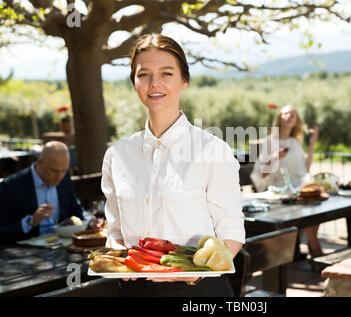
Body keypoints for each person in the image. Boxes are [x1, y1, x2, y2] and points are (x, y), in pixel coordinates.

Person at [101, 33, 245, 296]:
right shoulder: (117, 156)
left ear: (184, 80)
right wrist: (118, 254)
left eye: (166, 73)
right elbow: (115, 231)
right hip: (135, 291)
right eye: (144, 74)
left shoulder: (213, 151)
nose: (154, 82)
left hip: (199, 292)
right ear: (134, 82)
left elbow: (231, 233)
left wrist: (191, 276)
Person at [250, 105, 324, 257]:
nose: (288, 117)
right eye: (285, 114)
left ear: (296, 120)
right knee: (309, 211)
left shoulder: (295, 142)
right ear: (279, 117)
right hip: (280, 193)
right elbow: (260, 174)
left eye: (292, 115)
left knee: (314, 210)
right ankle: (315, 249)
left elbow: (306, 168)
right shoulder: (270, 142)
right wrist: (275, 157)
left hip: (298, 190)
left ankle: (313, 247)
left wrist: (312, 143)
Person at [0, 141, 86, 244]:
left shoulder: (65, 179)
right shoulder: (10, 186)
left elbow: (76, 210)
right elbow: (2, 232)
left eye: (64, 171)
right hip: (26, 252)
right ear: (40, 162)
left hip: (62, 245)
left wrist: (90, 222)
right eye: (54, 171)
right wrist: (30, 222)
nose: (60, 176)